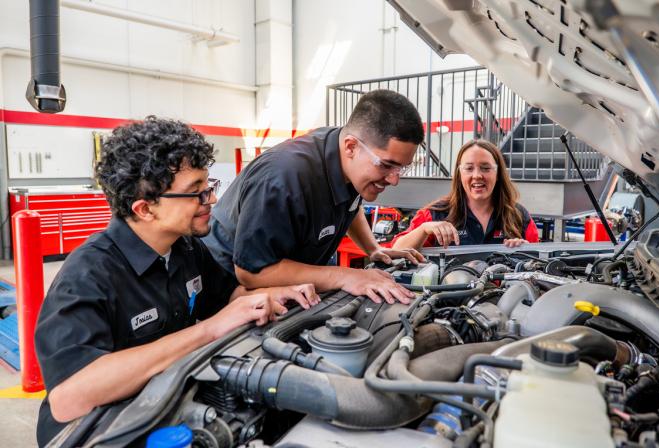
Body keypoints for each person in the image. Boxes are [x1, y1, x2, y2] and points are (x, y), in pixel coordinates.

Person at [34, 117, 318, 446]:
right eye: (195, 193)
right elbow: (70, 398)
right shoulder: (87, 275)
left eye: (208, 186)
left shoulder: (185, 247)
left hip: (162, 403)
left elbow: (229, 295)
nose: (210, 200)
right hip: (100, 431)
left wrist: (274, 292)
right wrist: (209, 329)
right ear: (145, 209)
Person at [202, 90, 426, 305]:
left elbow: (350, 203)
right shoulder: (283, 178)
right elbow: (253, 271)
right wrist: (346, 276)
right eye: (387, 165)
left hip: (290, 279)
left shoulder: (347, 158)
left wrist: (373, 249)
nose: (395, 180)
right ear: (351, 147)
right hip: (226, 290)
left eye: (402, 168)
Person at [392, 139, 539, 250]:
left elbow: (538, 264)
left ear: (498, 173)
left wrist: (526, 250)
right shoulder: (435, 214)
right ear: (459, 173)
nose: (477, 175)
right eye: (469, 168)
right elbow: (396, 250)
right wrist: (423, 230)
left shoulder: (519, 216)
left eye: (485, 168)